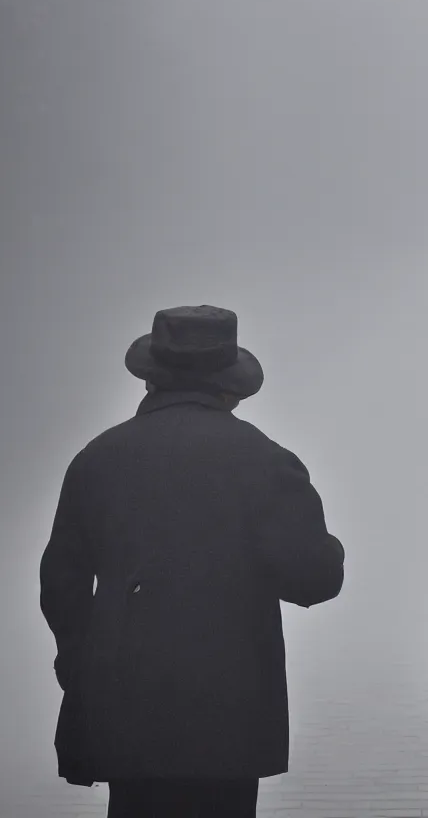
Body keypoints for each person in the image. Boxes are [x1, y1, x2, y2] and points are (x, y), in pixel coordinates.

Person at [39, 305, 346, 818]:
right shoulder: (264, 460)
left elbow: (61, 584)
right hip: (228, 711)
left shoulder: (97, 459)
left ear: (151, 380)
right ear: (230, 386)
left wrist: (81, 664)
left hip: (123, 703)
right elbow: (313, 578)